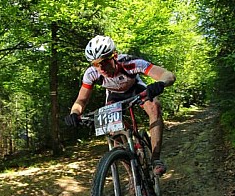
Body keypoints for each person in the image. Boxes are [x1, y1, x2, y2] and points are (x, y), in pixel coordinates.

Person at [64, 35, 176, 175]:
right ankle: (132, 175)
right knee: (114, 133)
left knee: (154, 107)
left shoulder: (131, 63)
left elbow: (168, 75)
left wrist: (160, 84)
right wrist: (74, 113)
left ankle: (155, 159)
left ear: (115, 56)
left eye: (104, 61)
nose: (101, 67)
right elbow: (81, 100)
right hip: (114, 96)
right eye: (95, 64)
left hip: (136, 89)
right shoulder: (91, 74)